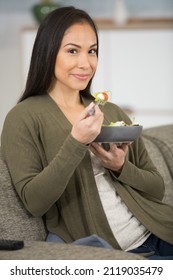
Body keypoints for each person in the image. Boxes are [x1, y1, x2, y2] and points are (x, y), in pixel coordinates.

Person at [1, 6, 173, 260]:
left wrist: (120, 166)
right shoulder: (23, 117)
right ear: (47, 53)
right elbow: (35, 202)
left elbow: (157, 189)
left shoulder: (110, 111)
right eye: (73, 51)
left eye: (92, 51)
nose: (86, 63)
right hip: (115, 253)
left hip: (158, 232)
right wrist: (76, 141)